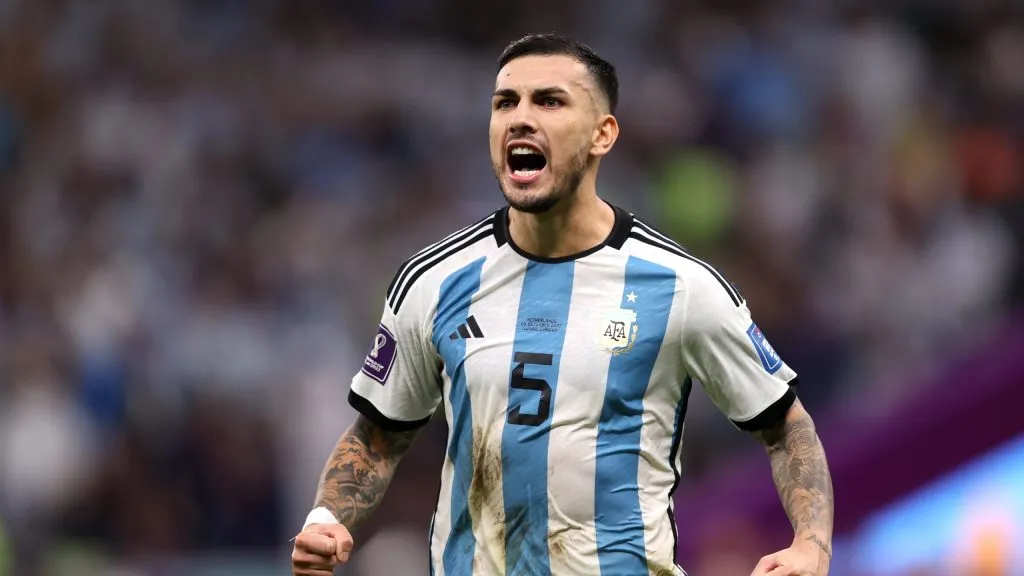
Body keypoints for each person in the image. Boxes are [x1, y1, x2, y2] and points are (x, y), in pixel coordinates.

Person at [290, 33, 834, 576]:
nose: (520, 119)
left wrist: (811, 544)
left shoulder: (680, 285)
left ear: (603, 134)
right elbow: (377, 435)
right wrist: (326, 517)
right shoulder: (433, 281)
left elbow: (786, 425)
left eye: (549, 101)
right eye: (506, 103)